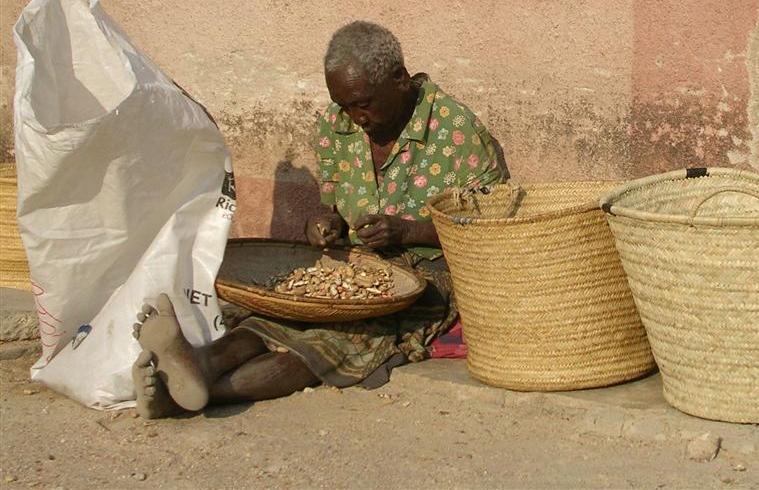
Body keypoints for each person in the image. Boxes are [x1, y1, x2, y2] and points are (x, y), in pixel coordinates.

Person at [131, 21, 506, 418]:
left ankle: (187, 393)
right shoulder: (336, 124)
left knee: (342, 340)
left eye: (363, 103)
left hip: (429, 274)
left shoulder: (453, 128)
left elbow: (486, 230)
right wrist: (327, 226)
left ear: (399, 79)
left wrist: (408, 230)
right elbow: (334, 208)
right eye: (345, 105)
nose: (355, 117)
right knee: (279, 315)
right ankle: (199, 364)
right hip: (357, 265)